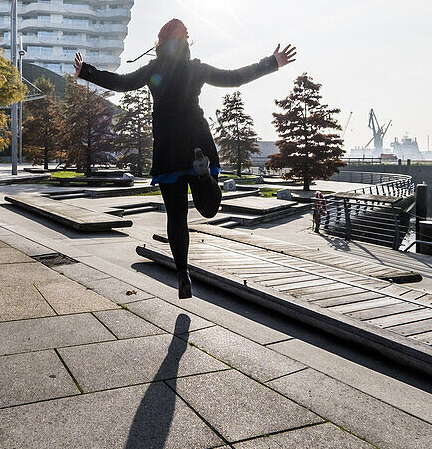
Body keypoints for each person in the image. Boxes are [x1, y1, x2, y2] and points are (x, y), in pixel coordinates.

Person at [76, 18, 296, 298]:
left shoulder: (153, 69)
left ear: (160, 43)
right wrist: (271, 63)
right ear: (185, 44)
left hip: (169, 149)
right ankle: (203, 177)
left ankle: (183, 273)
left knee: (176, 216)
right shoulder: (195, 69)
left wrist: (86, 72)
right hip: (197, 141)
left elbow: (121, 83)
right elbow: (235, 77)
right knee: (209, 210)